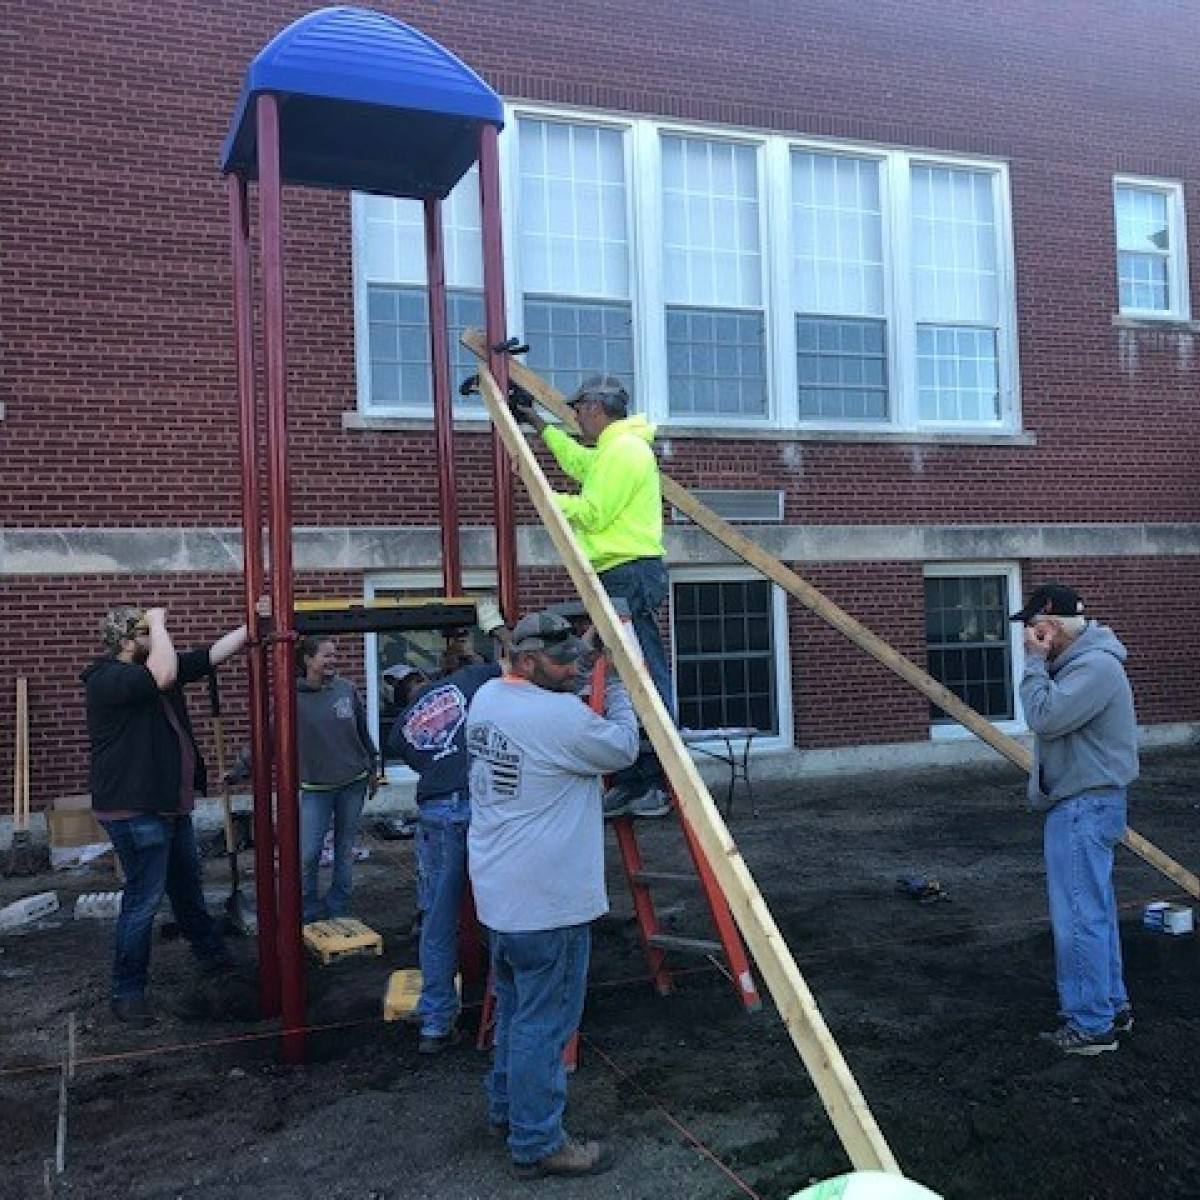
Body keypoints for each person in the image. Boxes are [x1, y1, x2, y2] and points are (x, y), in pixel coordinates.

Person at [466, 610, 639, 1179]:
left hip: (502, 898)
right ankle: (538, 1143)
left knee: (516, 1016)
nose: (573, 669)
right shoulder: (559, 717)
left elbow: (553, 698)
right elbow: (621, 748)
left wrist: (586, 654)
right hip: (549, 902)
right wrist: (618, 686)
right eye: (561, 662)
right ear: (527, 661)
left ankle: (507, 1110)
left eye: (576, 658)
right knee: (546, 1026)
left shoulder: (488, 699)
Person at [513, 373, 672, 819]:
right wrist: (537, 424)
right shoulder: (611, 451)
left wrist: (541, 493)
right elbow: (579, 464)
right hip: (619, 572)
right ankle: (634, 778)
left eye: (578, 410)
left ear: (595, 408)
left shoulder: (625, 451)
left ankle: (653, 778)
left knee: (642, 673)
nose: (577, 418)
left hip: (627, 572)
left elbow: (595, 513)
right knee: (624, 673)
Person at [83, 604, 250, 1026]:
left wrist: (253, 625)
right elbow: (162, 675)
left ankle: (214, 958)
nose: (155, 637)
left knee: (187, 888)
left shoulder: (158, 670)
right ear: (126, 642)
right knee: (143, 901)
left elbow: (210, 655)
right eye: (144, 633)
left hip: (170, 807)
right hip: (136, 809)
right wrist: (158, 622)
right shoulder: (108, 678)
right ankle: (127, 992)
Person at [1012, 581, 1138, 1056]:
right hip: (1087, 804)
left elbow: (1043, 717)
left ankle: (1090, 1024)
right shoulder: (1083, 665)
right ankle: (1110, 1007)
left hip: (1084, 806)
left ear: (1051, 626)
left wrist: (1034, 662)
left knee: (1079, 917)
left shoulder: (1095, 668)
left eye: (1032, 626)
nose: (1026, 636)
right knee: (1094, 912)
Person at [388, 601, 509, 1054]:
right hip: (481, 806)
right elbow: (515, 666)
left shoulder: (402, 727)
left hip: (437, 813)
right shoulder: (471, 681)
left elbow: (421, 760)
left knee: (437, 922)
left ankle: (436, 1023)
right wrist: (494, 627)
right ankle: (506, 1013)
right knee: (502, 913)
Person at [295, 636, 379, 924]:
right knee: (308, 853)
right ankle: (308, 910)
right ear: (308, 659)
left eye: (334, 655)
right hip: (315, 787)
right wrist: (240, 770)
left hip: (353, 781)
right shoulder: (291, 697)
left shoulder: (346, 689)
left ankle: (338, 907)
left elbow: (362, 731)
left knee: (344, 850)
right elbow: (268, 736)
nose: (333, 661)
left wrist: (373, 766)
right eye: (326, 656)